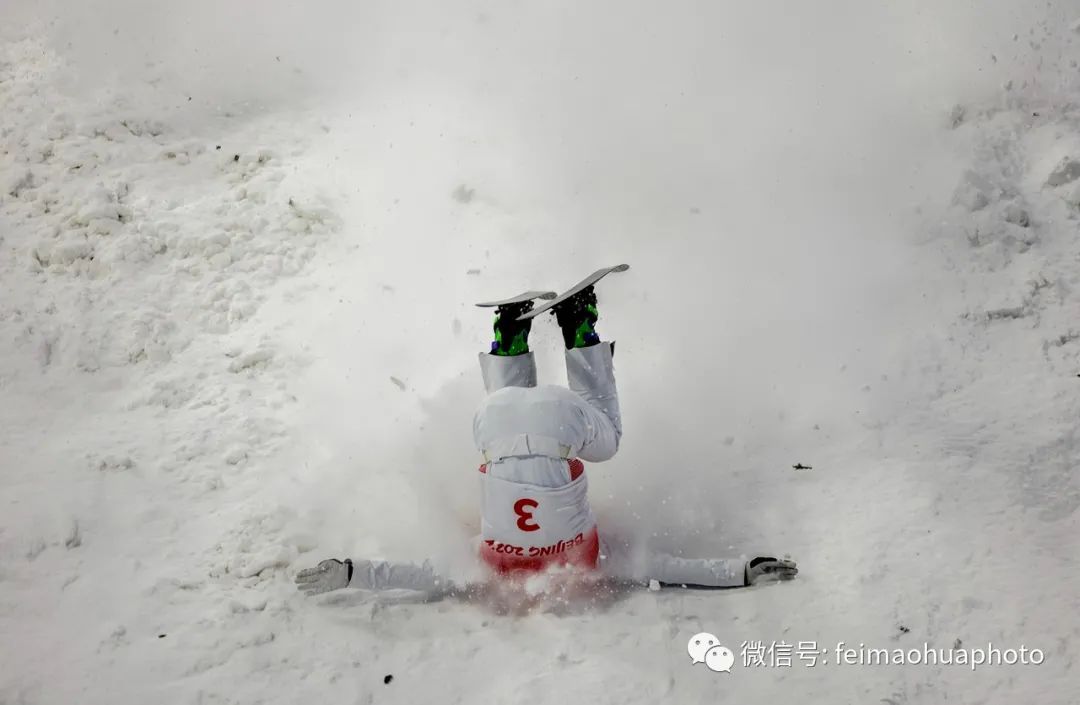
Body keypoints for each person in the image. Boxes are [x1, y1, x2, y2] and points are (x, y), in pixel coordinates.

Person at [295, 285, 797, 598]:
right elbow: (410, 573)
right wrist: (348, 570)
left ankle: (578, 323)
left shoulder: (594, 564)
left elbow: (671, 569)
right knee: (507, 426)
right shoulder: (479, 563)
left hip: (557, 423)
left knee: (606, 439)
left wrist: (741, 571)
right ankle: (509, 335)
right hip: (490, 420)